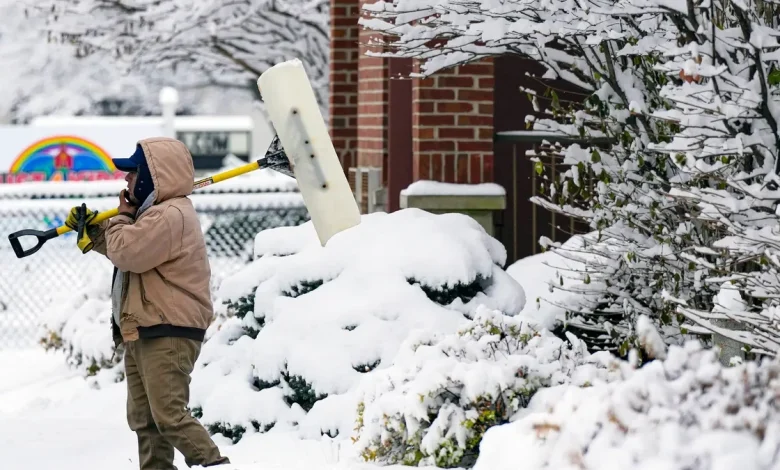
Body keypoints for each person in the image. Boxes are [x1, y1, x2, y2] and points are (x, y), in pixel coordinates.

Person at [64, 137, 230, 469]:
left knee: (169, 416)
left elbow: (129, 253)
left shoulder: (171, 214)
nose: (126, 181)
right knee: (146, 422)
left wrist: (121, 218)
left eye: (132, 173)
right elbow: (129, 250)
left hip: (168, 331)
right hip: (144, 329)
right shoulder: (154, 214)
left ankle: (215, 465)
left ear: (154, 177)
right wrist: (95, 232)